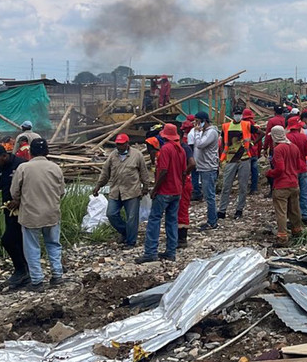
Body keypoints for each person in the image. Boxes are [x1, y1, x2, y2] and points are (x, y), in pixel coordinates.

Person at [8, 138, 65, 291]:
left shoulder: (23, 168)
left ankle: (37, 281)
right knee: (53, 244)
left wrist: (20, 200)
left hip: (31, 215)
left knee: (32, 248)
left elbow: (14, 192)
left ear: (30, 152)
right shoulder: (55, 168)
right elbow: (61, 192)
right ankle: (57, 276)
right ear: (47, 151)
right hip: (51, 213)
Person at [91, 133, 149, 248]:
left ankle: (131, 242)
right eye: (118, 144)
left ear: (127, 144)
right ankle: (125, 232)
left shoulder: (137, 155)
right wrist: (98, 186)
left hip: (132, 191)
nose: (119, 147)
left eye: (122, 144)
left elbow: (144, 173)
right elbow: (105, 172)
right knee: (111, 214)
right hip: (116, 191)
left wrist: (145, 187)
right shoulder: (113, 156)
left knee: (132, 218)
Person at [137, 124, 185, 263]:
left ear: (164, 136)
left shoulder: (165, 149)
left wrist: (155, 189)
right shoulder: (181, 150)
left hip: (165, 191)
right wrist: (180, 186)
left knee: (154, 220)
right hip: (176, 191)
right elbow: (183, 172)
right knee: (171, 221)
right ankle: (171, 252)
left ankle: (150, 252)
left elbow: (163, 171)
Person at [0, 145, 28, 288]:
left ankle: (22, 270)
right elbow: (0, 184)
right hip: (8, 209)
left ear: (4, 155)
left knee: (8, 241)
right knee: (17, 241)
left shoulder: (21, 165)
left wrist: (18, 200)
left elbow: (29, 186)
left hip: (22, 210)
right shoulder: (0, 168)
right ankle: (25, 272)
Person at [266, 126, 303, 245]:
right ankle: (297, 231)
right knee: (294, 210)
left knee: (281, 212)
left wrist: (270, 173)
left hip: (282, 185)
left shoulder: (278, 149)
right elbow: (298, 165)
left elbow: (280, 168)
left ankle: (282, 237)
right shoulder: (294, 147)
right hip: (294, 183)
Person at [187, 112, 221, 228]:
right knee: (208, 195)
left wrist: (196, 132)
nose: (195, 124)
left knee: (209, 196)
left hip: (208, 167)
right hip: (203, 166)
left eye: (197, 121)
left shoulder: (211, 132)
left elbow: (200, 145)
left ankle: (212, 222)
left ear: (204, 121)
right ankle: (211, 219)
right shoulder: (205, 132)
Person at [286, 115, 307, 224]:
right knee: (305, 193)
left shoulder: (287, 138)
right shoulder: (303, 137)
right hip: (303, 167)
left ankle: (293, 218)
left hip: (291, 169)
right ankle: (305, 216)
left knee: (292, 195)